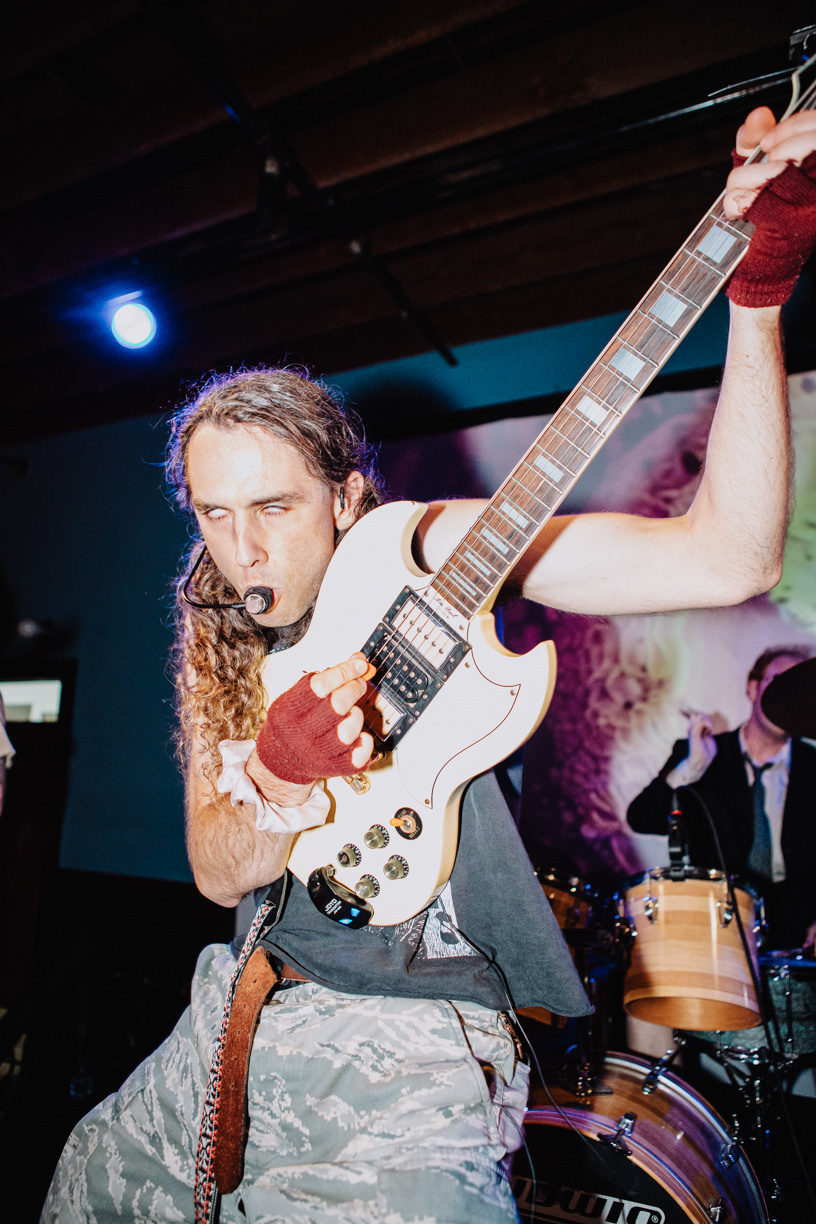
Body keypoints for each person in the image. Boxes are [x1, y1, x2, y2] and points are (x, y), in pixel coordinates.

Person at [41, 106, 816, 1224]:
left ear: (347, 497)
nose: (241, 549)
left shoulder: (430, 554)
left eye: (273, 508)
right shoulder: (218, 622)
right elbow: (216, 869)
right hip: (243, 1013)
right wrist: (281, 776)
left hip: (418, 1041)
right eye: (213, 513)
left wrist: (756, 300)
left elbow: (728, 556)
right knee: (81, 1184)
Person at [627, 646, 816, 949]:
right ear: (753, 688)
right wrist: (692, 767)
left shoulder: (811, 765)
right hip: (717, 926)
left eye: (799, 687)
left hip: (797, 934)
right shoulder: (702, 753)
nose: (788, 695)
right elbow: (642, 819)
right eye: (779, 681)